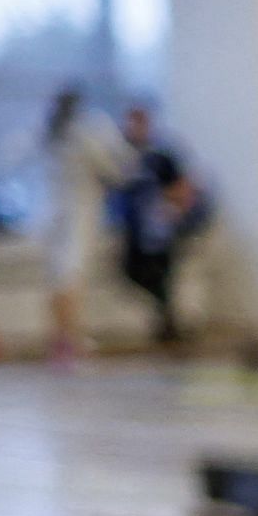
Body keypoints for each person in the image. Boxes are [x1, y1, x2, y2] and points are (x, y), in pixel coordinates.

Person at [36, 86, 133, 360]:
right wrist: (126, 169)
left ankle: (59, 340)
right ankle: (71, 341)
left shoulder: (51, 132)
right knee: (71, 276)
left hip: (52, 213)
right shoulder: (84, 133)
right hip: (78, 212)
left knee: (56, 278)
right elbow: (112, 170)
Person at [113, 105, 212, 347]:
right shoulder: (122, 156)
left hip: (161, 232)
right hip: (136, 233)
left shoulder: (161, 156)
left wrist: (175, 212)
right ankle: (167, 322)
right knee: (131, 271)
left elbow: (183, 186)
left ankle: (168, 327)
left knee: (164, 278)